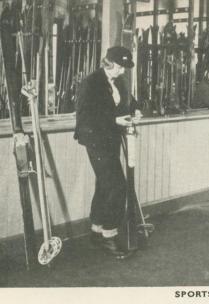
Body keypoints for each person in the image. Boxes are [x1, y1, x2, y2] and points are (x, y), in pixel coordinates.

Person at [74, 46, 142, 259]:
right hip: (95, 140)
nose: (122, 72)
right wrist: (114, 120)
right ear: (109, 63)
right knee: (116, 185)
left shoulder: (119, 81)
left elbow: (128, 101)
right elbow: (85, 118)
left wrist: (136, 110)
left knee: (105, 184)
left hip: (111, 138)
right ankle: (109, 235)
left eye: (124, 68)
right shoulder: (91, 83)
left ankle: (96, 230)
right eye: (120, 67)